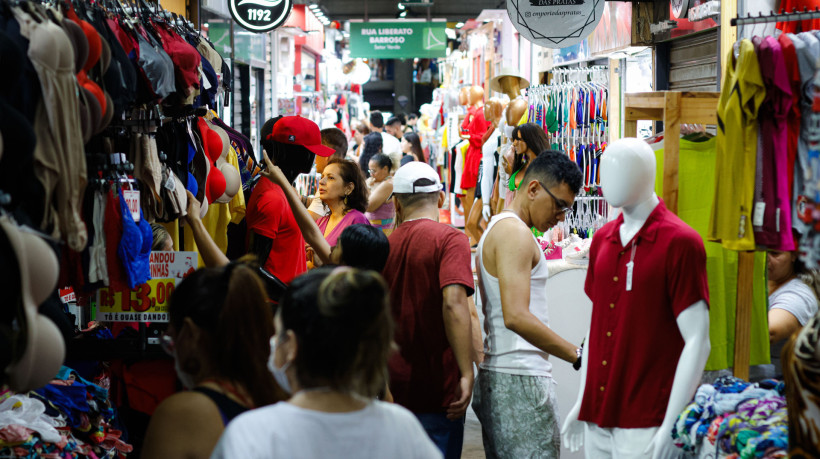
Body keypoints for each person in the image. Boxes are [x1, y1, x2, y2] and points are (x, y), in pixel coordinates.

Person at [211, 267, 443, 459]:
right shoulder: (402, 429)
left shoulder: (252, 435)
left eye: (278, 333)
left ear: (291, 346)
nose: (273, 343)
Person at [472, 151, 583, 458]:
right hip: (518, 378)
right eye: (559, 205)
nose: (560, 216)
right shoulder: (514, 233)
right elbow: (517, 316)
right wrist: (576, 354)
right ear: (533, 189)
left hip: (509, 377)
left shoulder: (503, 227)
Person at [141, 261, 285, 459]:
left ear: (191, 333)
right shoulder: (280, 399)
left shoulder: (183, 413)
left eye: (171, 339)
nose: (172, 350)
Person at [382, 162, 476, 459]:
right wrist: (466, 371)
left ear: (396, 203)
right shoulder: (450, 239)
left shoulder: (385, 245)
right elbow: (454, 303)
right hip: (439, 386)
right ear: (439, 199)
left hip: (393, 386)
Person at [245, 116, 334, 284]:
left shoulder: (286, 189)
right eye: (310, 151)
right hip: (275, 303)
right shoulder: (273, 198)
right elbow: (254, 267)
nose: (313, 157)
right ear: (290, 151)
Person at [767, 244, 819, 376]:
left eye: (775, 253)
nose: (765, 258)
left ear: (794, 255)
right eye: (759, 251)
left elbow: (770, 331)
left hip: (772, 388)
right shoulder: (762, 281)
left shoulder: (799, 295)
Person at [306, 128, 350, 219]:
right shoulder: (343, 176)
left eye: (317, 153)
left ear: (327, 155)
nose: (315, 158)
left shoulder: (330, 184)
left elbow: (309, 221)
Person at [505, 123, 550, 206]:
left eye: (518, 139)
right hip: (512, 215)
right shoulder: (522, 165)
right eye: (514, 139)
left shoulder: (543, 169)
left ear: (530, 140)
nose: (514, 143)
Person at [366, 153, 395, 234]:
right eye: (370, 170)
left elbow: (368, 206)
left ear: (385, 169)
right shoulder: (382, 182)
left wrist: (367, 187)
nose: (371, 174)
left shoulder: (388, 184)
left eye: (374, 171)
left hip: (381, 231)